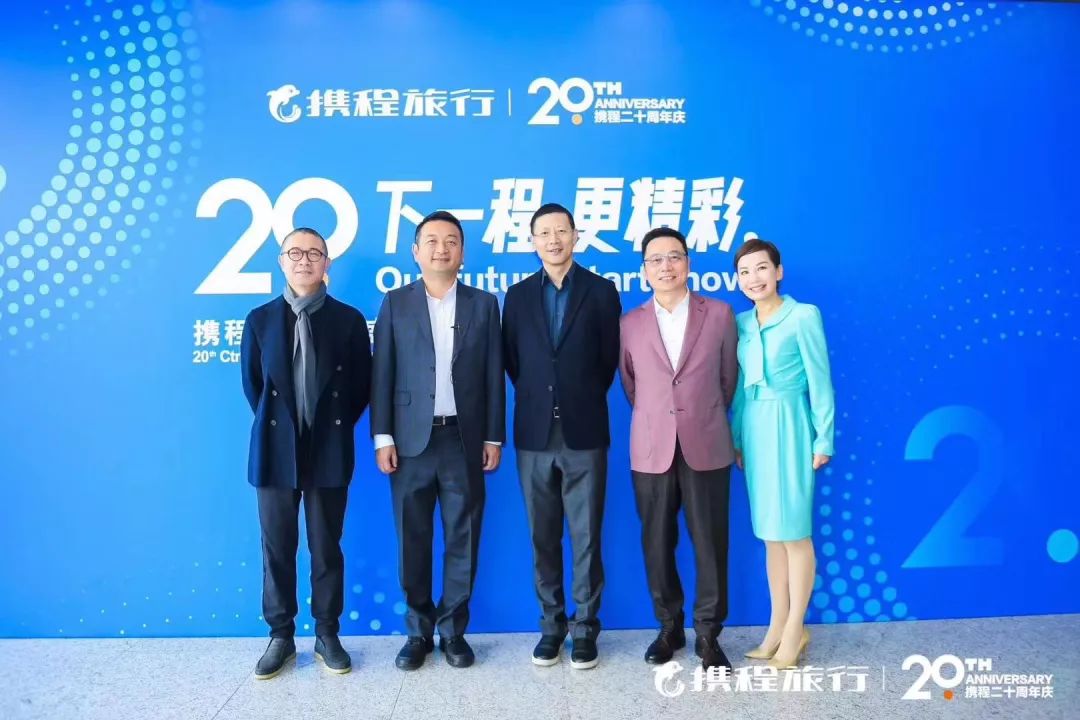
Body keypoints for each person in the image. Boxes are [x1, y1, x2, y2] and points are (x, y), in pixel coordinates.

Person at [370, 210, 505, 670]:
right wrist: (382, 436)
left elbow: (493, 375)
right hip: (409, 443)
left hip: (463, 439)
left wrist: (493, 436)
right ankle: (417, 631)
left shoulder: (483, 304)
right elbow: (382, 373)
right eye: (431, 240)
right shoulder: (396, 302)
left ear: (462, 252)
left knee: (463, 536)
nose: (441, 248)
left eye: (451, 241)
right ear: (416, 251)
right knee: (412, 538)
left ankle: (453, 631)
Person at [240, 227, 372, 679]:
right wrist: (283, 427)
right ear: (281, 261)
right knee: (277, 548)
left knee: (326, 547)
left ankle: (327, 633)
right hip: (275, 452)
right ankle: (280, 635)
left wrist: (328, 425)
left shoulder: (349, 320)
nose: (304, 260)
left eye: (314, 253)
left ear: (327, 263)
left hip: (328, 448)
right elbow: (254, 387)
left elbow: (360, 387)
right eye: (294, 253)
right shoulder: (259, 320)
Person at [502, 203, 621, 669]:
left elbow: (607, 361)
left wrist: (575, 395)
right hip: (534, 433)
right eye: (544, 233)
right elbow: (514, 362)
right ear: (533, 241)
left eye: (561, 231)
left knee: (586, 536)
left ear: (575, 236)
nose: (554, 240)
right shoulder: (516, 296)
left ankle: (585, 628)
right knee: (542, 536)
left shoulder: (601, 291)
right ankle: (551, 626)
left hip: (584, 430)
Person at [618, 227, 738, 670]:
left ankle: (708, 634)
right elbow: (631, 384)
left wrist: (698, 415)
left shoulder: (720, 314)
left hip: (706, 441)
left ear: (688, 263)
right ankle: (669, 627)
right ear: (644, 270)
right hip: (651, 448)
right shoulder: (629, 324)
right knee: (657, 541)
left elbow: (728, 380)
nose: (665, 266)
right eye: (656, 259)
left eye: (674, 257)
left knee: (710, 542)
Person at [732, 238, 835, 669]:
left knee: (794, 532)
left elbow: (820, 380)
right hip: (755, 430)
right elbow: (741, 388)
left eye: (761, 268)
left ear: (778, 271)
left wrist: (823, 438)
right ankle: (776, 626)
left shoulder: (803, 315)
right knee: (771, 534)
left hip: (790, 424)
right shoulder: (741, 323)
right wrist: (737, 437)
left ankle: (796, 628)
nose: (753, 278)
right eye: (744, 272)